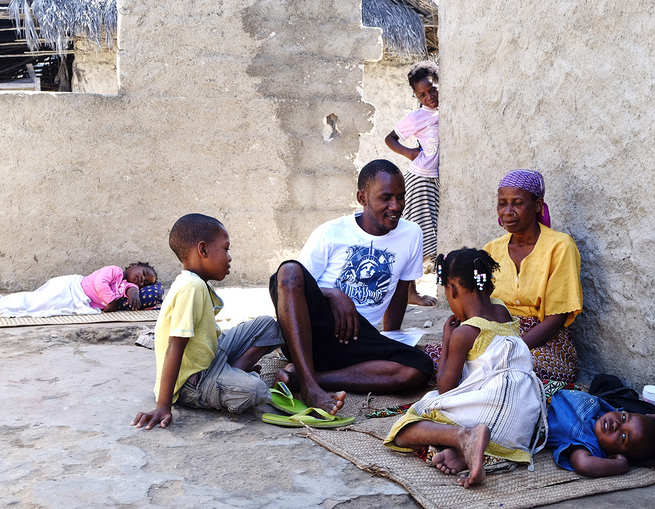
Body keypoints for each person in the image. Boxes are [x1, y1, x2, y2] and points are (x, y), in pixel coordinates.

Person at [269, 160, 434, 415]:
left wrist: (391, 337)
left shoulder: (411, 233)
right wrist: (333, 294)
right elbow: (292, 284)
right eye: (386, 198)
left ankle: (306, 377)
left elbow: (400, 290)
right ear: (362, 197)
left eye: (401, 197)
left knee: (418, 368)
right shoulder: (331, 233)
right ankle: (312, 388)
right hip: (313, 334)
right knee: (288, 270)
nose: (396, 206)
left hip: (360, 338)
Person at [383, 248, 547, 488]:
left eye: (448, 295)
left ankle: (464, 437)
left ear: (453, 289)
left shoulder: (465, 332)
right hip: (523, 425)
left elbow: (446, 388)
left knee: (406, 428)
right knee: (479, 418)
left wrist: (448, 341)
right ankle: (464, 452)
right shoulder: (502, 311)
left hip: (491, 410)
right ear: (487, 287)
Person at [132, 214, 283, 430]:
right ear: (203, 250)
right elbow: (175, 346)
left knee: (268, 326)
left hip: (212, 354)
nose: (229, 257)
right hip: (194, 381)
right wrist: (163, 405)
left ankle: (233, 373)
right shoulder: (190, 288)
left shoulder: (196, 282)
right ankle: (233, 378)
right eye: (226, 249)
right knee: (256, 391)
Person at [483, 169, 583, 382]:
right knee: (445, 357)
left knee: (513, 372)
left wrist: (512, 348)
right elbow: (479, 303)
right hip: (496, 333)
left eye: (517, 203)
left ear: (538, 205)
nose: (507, 211)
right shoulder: (491, 250)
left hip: (543, 340)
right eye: (502, 203)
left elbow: (558, 316)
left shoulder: (560, 246)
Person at [385, 61, 440, 307]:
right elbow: (390, 138)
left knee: (434, 234)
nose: (429, 97)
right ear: (416, 96)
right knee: (415, 236)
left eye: (433, 90)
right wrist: (410, 153)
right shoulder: (418, 116)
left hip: (435, 181)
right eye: (422, 94)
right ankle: (411, 292)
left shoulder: (444, 111)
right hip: (419, 180)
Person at [547, 389, 655, 476]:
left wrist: (619, 466)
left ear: (614, 453)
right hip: (546, 387)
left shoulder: (589, 444)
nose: (616, 424)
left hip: (533, 409)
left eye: (623, 437)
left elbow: (583, 464)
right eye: (624, 417)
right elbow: (634, 420)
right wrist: (652, 417)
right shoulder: (610, 412)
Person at [0, 262, 157, 317]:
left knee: (44, 308)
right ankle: (4, 303)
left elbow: (131, 290)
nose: (142, 279)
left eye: (145, 283)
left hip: (79, 301)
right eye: (143, 273)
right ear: (132, 266)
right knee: (36, 301)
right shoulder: (114, 271)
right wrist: (111, 302)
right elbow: (100, 283)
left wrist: (136, 292)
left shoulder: (128, 285)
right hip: (71, 289)